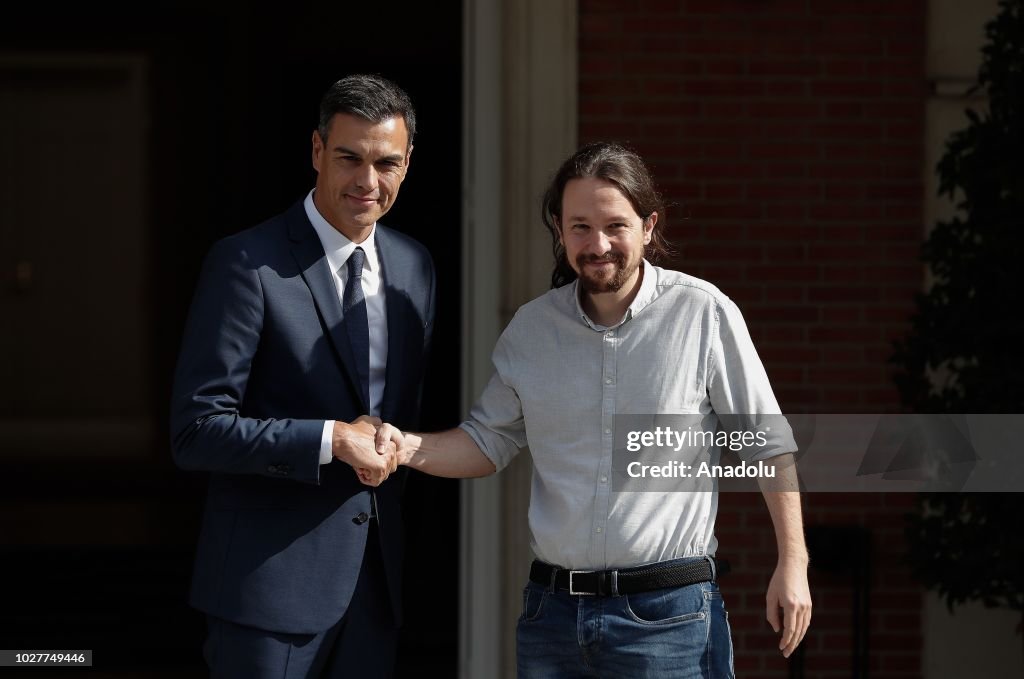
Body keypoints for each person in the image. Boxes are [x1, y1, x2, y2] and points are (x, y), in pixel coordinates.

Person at [375, 142, 811, 678]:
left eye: (615, 226)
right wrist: (403, 447)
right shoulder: (532, 331)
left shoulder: (703, 313)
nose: (597, 244)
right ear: (559, 230)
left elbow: (768, 442)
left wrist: (793, 562)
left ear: (649, 226)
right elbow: (486, 443)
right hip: (551, 617)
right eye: (580, 226)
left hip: (668, 620)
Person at [170, 74, 434, 678]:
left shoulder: (415, 265)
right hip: (265, 590)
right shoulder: (245, 263)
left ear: (408, 162)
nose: (368, 182)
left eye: (387, 163)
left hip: (374, 589)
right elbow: (196, 429)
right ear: (317, 151)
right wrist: (331, 439)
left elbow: (400, 411)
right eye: (349, 158)